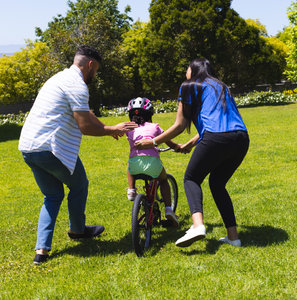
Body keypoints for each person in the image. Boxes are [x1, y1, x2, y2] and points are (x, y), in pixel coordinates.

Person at [18, 45, 138, 265]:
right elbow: (84, 126)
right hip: (50, 148)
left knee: (53, 196)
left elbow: (86, 113)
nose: (96, 74)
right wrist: (113, 129)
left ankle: (41, 251)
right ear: (90, 65)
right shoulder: (78, 85)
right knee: (79, 184)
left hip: (28, 147)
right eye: (97, 70)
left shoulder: (59, 78)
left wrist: (107, 126)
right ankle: (77, 230)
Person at [134, 58, 249, 247]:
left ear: (193, 70)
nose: (185, 73)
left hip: (216, 138)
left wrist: (153, 141)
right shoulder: (221, 86)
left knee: (191, 178)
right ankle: (233, 237)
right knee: (217, 183)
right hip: (241, 139)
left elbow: (179, 125)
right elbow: (222, 121)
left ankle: (197, 225)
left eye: (187, 69)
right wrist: (192, 142)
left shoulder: (189, 85)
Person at [125, 97, 179, 226]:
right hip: (153, 163)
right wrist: (178, 147)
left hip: (135, 164)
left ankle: (131, 189)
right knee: (163, 180)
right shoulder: (155, 127)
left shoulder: (128, 129)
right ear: (150, 114)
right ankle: (168, 209)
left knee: (129, 164)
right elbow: (169, 141)